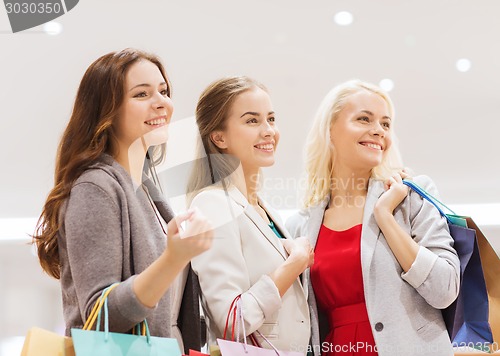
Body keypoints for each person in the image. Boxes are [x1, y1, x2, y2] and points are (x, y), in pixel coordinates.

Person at [33, 48, 213, 353]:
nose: (161, 103)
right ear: (107, 110)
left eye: (163, 91)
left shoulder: (145, 188)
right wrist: (173, 259)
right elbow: (100, 316)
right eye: (141, 94)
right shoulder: (95, 186)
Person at [286, 79, 460, 356]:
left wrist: (385, 216)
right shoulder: (299, 225)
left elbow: (444, 289)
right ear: (330, 130)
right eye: (364, 119)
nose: (378, 130)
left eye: (386, 124)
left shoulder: (412, 196)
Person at [186, 76, 313, 352]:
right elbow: (233, 320)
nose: (268, 131)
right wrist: (294, 264)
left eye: (271, 119)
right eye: (252, 121)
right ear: (219, 137)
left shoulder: (264, 209)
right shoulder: (212, 204)